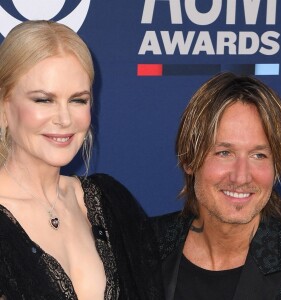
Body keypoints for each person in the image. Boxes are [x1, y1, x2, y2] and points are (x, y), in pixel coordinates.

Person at [0, 20, 163, 300]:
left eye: (78, 100)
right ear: (4, 107)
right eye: (43, 100)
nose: (64, 119)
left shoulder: (109, 202)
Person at [151, 72, 281, 300]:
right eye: (224, 153)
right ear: (189, 159)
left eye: (258, 155)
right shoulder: (144, 246)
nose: (241, 177)